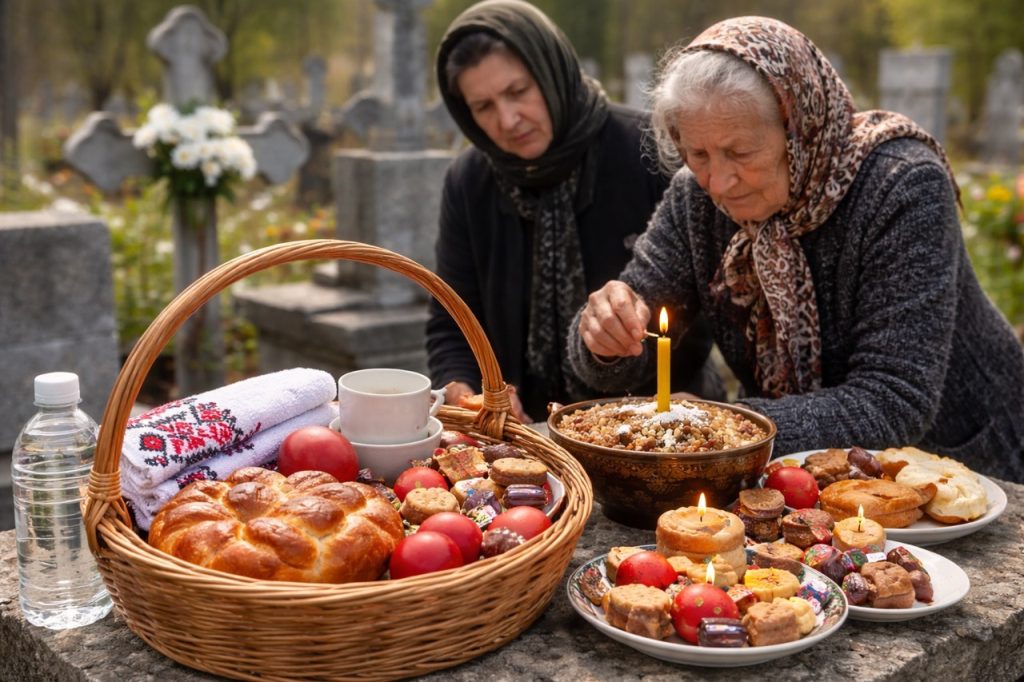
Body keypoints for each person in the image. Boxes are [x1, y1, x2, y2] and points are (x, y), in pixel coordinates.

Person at [569, 16, 1024, 482]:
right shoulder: (696, 198)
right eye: (698, 155)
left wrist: (728, 424)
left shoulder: (900, 185)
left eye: (741, 152)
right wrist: (605, 337)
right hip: (808, 479)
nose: (719, 183)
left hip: (962, 472)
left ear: (799, 130)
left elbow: (895, 400)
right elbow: (621, 348)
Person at [426, 0, 721, 423]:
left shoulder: (649, 150)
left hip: (665, 419)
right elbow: (452, 318)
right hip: (527, 431)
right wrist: (464, 390)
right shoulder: (469, 181)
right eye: (483, 107)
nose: (508, 119)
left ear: (551, 73)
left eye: (518, 91)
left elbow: (708, 294)